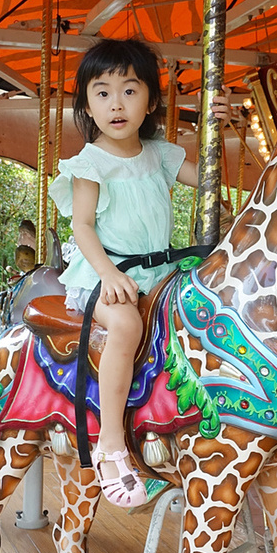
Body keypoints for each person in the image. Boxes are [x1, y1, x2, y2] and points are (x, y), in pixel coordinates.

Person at [49, 38, 231, 509]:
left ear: (150, 100)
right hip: (105, 276)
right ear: (87, 105)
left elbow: (215, 182)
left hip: (161, 275)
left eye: (129, 91)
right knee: (128, 325)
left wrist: (218, 129)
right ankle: (110, 442)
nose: (116, 104)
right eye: (102, 92)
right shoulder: (90, 164)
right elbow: (83, 226)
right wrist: (108, 274)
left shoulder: (161, 154)